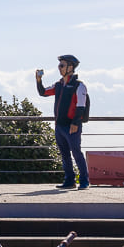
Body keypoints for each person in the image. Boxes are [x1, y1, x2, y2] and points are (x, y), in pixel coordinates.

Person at [37, 54, 90, 190]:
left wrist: (75, 123)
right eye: (59, 65)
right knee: (65, 155)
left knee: (76, 153)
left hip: (71, 126)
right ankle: (69, 181)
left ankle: (84, 181)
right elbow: (43, 92)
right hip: (59, 126)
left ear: (71, 67)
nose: (59, 68)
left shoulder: (79, 86)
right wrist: (38, 80)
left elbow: (81, 107)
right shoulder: (59, 84)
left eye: (62, 65)